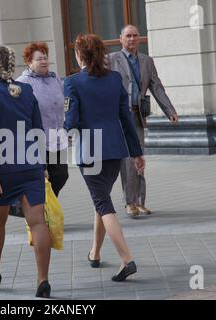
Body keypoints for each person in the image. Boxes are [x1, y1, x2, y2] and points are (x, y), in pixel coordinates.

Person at [64, 34, 145, 281]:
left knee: (103, 204)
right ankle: (95, 253)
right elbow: (127, 119)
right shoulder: (115, 79)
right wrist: (137, 152)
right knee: (102, 200)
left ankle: (126, 259)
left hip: (89, 151)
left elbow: (71, 120)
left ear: (81, 55)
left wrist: (63, 129)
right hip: (115, 149)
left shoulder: (72, 82)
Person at [0, 44, 51, 298]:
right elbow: (38, 130)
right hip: (30, 166)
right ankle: (42, 280)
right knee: (38, 222)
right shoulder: (27, 91)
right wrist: (43, 167)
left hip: (2, 170)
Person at [108, 25, 179, 218]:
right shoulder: (111, 60)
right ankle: (130, 202)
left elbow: (157, 88)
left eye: (135, 36)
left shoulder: (147, 61)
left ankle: (140, 202)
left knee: (138, 160)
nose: (132, 39)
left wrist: (169, 110)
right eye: (128, 36)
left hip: (137, 116)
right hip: (119, 118)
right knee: (128, 161)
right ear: (120, 39)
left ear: (139, 39)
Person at [17, 42, 69, 197]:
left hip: (56, 136)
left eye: (45, 58)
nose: (44, 61)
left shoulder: (55, 79)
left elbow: (63, 103)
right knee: (41, 177)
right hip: (36, 138)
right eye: (39, 59)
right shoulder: (22, 82)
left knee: (61, 175)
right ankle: (40, 213)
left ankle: (47, 207)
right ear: (29, 62)